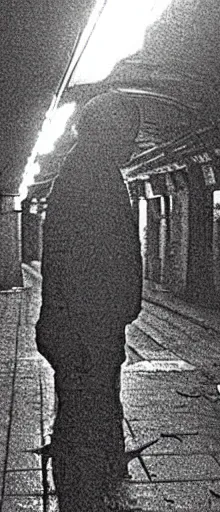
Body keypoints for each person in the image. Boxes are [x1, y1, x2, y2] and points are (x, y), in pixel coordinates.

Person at [35, 92, 142, 510]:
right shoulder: (90, 175)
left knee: (84, 409)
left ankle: (92, 477)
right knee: (83, 417)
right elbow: (98, 256)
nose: (133, 142)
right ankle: (83, 493)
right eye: (128, 133)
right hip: (85, 326)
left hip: (84, 324)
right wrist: (119, 306)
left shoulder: (87, 169)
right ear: (108, 130)